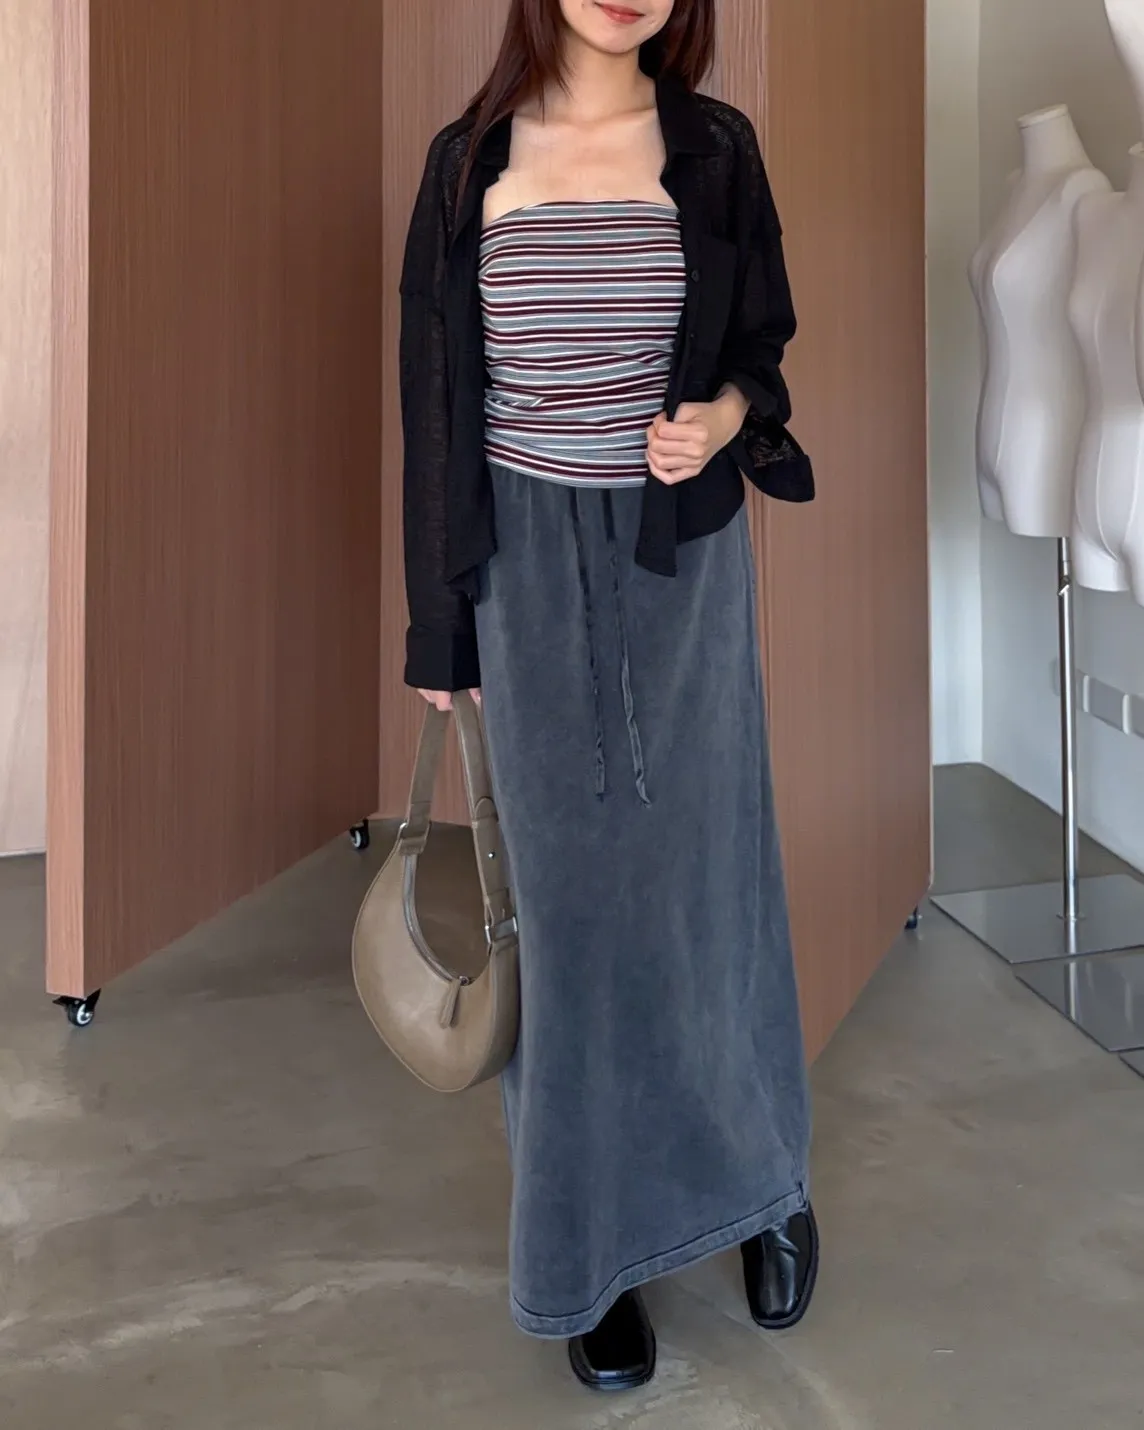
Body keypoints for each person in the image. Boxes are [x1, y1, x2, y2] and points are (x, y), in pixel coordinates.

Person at [399, 0, 817, 1393]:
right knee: (570, 919)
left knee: (711, 882)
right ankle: (590, 1251)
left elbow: (761, 345)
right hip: (521, 569)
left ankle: (763, 1183)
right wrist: (440, 627)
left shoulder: (715, 147)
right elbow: (435, 401)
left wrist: (723, 417)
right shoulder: (468, 161)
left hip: (678, 561)